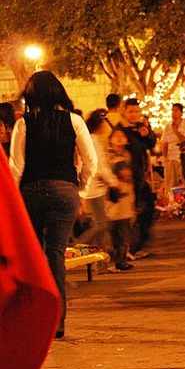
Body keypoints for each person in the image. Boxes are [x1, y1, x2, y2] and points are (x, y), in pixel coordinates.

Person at [9, 71, 98, 339]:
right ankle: (57, 322)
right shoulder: (75, 121)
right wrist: (79, 187)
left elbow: (17, 166)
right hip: (64, 191)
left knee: (34, 256)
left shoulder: (24, 124)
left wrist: (13, 198)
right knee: (55, 254)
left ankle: (36, 317)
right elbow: (91, 161)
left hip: (32, 192)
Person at [119, 99, 157, 258]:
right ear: (124, 111)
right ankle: (129, 248)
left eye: (136, 112)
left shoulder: (140, 129)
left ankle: (136, 244)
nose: (134, 115)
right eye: (131, 111)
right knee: (132, 214)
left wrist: (148, 133)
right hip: (128, 177)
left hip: (141, 176)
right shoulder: (121, 131)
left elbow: (151, 144)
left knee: (146, 211)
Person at [76, 110, 118, 252]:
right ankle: (76, 247)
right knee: (102, 224)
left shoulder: (90, 138)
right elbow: (98, 165)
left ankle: (101, 259)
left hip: (92, 185)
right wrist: (112, 181)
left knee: (100, 224)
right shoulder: (93, 140)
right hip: (94, 187)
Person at [106, 161, 137, 272]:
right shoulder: (116, 185)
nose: (127, 172)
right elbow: (113, 198)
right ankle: (121, 262)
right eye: (124, 170)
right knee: (122, 241)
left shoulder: (128, 184)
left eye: (128, 170)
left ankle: (121, 261)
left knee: (122, 241)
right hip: (118, 216)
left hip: (125, 215)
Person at [161, 103, 185, 201]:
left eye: (176, 110)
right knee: (171, 184)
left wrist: (176, 131)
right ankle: (171, 204)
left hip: (184, 159)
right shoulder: (167, 127)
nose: (173, 113)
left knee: (184, 184)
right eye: (172, 111)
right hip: (171, 159)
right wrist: (165, 158)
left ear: (181, 112)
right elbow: (165, 144)